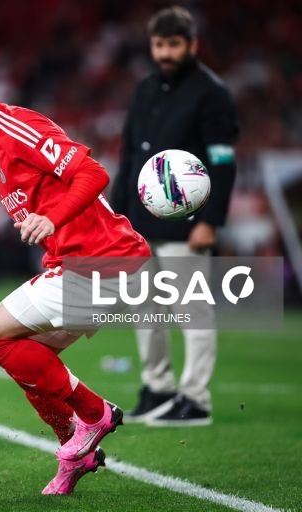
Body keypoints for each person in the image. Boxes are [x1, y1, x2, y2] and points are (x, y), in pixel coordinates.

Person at [0, 49, 150, 495]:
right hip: (96, 267)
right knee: (26, 359)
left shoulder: (14, 126)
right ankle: (75, 454)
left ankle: (93, 414)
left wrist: (52, 219)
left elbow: (92, 172)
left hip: (101, 262)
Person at [110, 6, 239, 427]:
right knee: (144, 310)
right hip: (139, 224)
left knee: (192, 309)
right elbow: (130, 154)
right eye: (159, 44)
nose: (165, 52)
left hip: (189, 224)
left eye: (173, 44)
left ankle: (196, 398)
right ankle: (158, 388)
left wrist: (211, 221)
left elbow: (223, 161)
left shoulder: (211, 92)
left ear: (192, 45)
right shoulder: (145, 88)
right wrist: (116, 214)